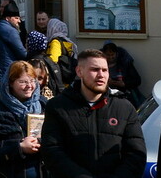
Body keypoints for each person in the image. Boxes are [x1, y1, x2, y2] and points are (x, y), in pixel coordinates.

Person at [41, 48, 145, 178]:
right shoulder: (57, 107)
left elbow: (136, 154)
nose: (101, 75)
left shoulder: (125, 107)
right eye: (95, 70)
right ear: (79, 71)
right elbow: (52, 151)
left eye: (105, 70)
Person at [0, 61, 45, 178]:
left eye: (32, 81)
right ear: (10, 83)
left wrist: (39, 142)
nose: (29, 86)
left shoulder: (44, 105)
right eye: (23, 82)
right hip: (9, 172)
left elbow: (58, 139)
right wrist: (19, 147)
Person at [101, 42, 144, 106]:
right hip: (105, 98)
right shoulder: (99, 65)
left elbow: (137, 80)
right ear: (104, 54)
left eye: (112, 54)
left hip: (124, 97)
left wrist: (124, 83)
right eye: (108, 55)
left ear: (116, 54)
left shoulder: (125, 63)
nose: (110, 57)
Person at [0, 1, 27, 80]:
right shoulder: (11, 31)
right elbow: (22, 53)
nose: (19, 21)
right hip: (8, 69)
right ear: (7, 18)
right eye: (16, 18)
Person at [43, 18, 76, 88]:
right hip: (65, 78)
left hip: (58, 79)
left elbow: (53, 60)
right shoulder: (66, 40)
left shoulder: (55, 41)